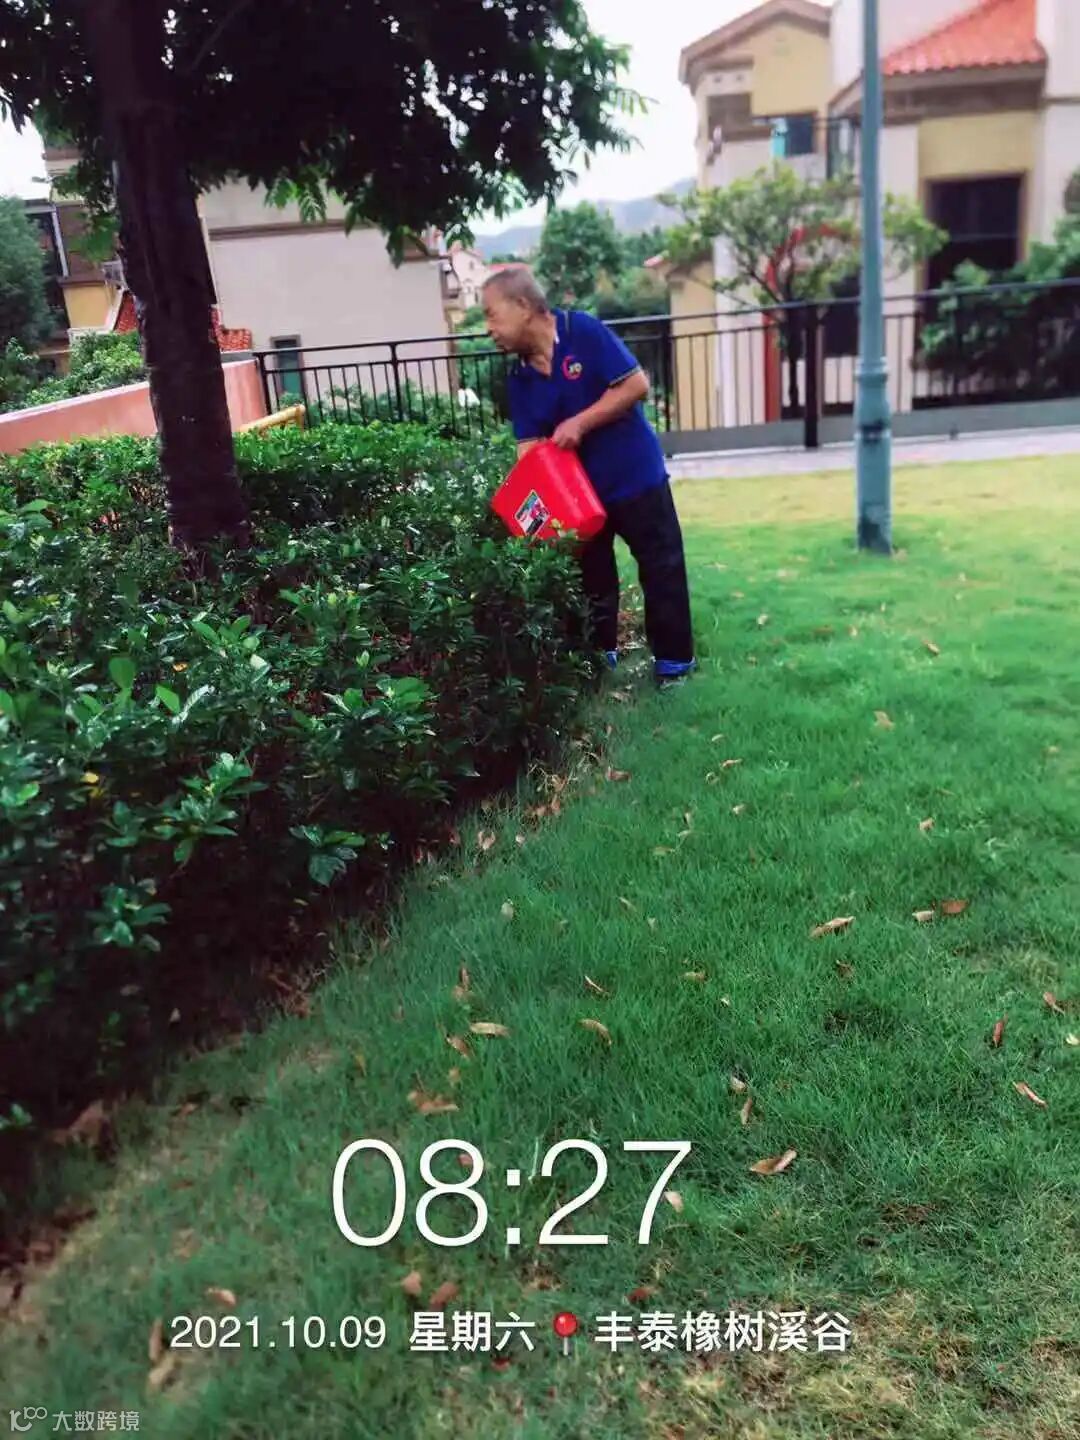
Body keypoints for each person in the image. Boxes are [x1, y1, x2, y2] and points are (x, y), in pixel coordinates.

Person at [482, 268, 696, 684]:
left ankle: (674, 666)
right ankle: (598, 664)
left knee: (661, 567)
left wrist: (580, 423)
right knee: (592, 582)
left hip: (635, 475)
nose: (488, 328)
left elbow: (635, 385)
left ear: (523, 306)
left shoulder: (581, 331)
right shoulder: (520, 379)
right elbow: (529, 451)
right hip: (578, 501)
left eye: (492, 314)